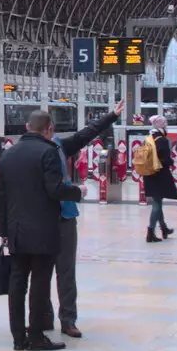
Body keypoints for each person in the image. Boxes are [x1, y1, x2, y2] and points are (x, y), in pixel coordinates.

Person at [0, 110, 83, 351]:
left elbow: (1, 197)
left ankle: (17, 337)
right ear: (49, 129)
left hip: (15, 230)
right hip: (43, 229)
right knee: (40, 283)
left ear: (27, 126)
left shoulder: (8, 154)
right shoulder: (49, 152)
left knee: (17, 283)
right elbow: (54, 190)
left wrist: (3, 230)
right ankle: (35, 335)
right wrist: (77, 192)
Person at [50, 102, 121, 338]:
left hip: (64, 216)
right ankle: (44, 316)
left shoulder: (60, 146)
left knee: (66, 272)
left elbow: (86, 134)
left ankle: (67, 319)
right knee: (41, 273)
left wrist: (111, 116)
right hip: (39, 219)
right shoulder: (24, 153)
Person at [142, 115, 177, 243]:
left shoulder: (148, 138)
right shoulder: (162, 140)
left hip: (148, 174)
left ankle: (163, 228)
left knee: (158, 201)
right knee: (157, 204)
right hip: (159, 174)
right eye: (165, 124)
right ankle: (150, 232)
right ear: (161, 126)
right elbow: (166, 160)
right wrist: (172, 161)